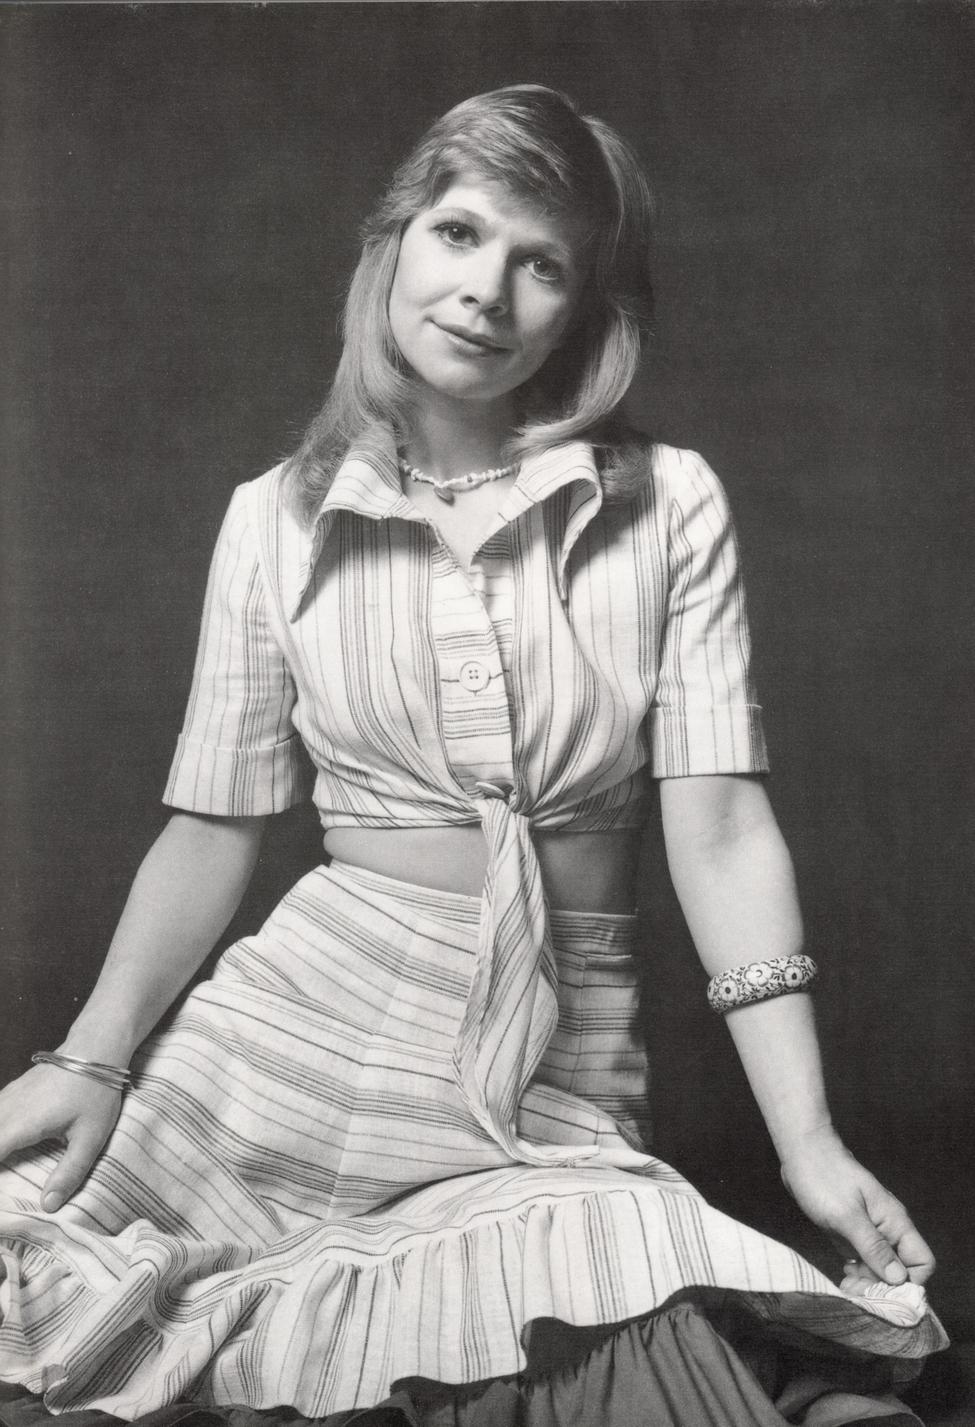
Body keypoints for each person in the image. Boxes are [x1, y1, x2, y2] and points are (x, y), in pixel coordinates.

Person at [0, 85, 945, 1427]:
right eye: (458, 233)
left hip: (551, 1045)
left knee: (585, 1312)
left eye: (540, 263)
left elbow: (723, 831)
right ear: (393, 245)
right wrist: (92, 1062)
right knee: (83, 1295)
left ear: (586, 309)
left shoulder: (668, 503)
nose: (485, 291)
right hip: (295, 1033)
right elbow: (213, 827)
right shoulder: (270, 520)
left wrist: (810, 1144)